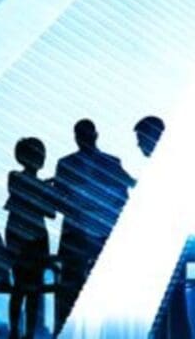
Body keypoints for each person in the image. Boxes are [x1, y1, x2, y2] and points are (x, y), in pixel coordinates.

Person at [53, 119, 136, 333]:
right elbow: (125, 193)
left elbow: (58, 199)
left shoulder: (68, 164)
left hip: (88, 232)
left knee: (77, 288)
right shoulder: (107, 163)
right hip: (93, 232)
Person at [4, 137, 58, 339]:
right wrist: (46, 189)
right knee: (26, 288)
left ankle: (23, 333)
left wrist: (46, 188)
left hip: (26, 238)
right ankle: (18, 333)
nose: (41, 158)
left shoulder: (20, 179)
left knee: (28, 289)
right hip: (27, 238)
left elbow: (49, 212)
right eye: (38, 154)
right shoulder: (15, 177)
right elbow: (46, 209)